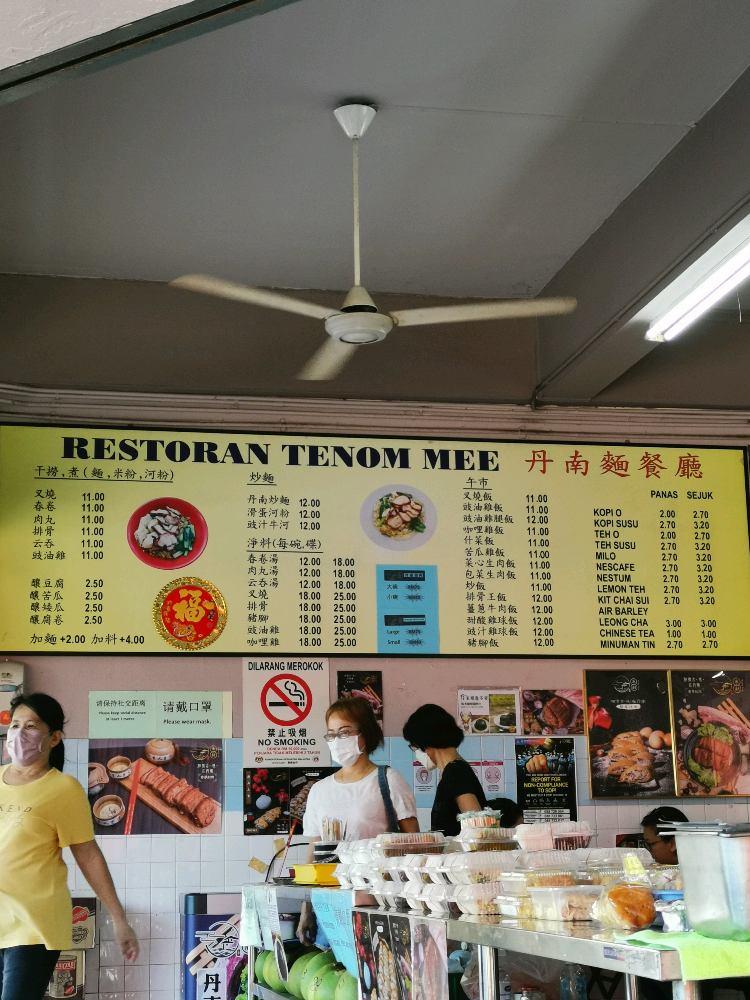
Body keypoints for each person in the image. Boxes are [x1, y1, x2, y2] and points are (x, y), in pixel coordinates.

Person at [0, 693, 138, 1000]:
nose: (19, 734)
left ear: (54, 738)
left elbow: (88, 855)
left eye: (31, 726)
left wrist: (119, 918)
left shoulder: (62, 789)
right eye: (15, 725)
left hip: (33, 926)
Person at [297, 697, 418, 942]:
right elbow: (315, 853)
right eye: (331, 734)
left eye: (344, 732)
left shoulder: (388, 780)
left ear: (366, 734)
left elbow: (414, 845)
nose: (336, 741)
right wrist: (305, 908)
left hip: (378, 905)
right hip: (331, 906)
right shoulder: (320, 790)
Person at [403, 703, 486, 836]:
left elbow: (478, 828)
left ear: (425, 742)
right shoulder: (454, 770)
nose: (417, 753)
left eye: (415, 747)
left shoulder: (455, 772)